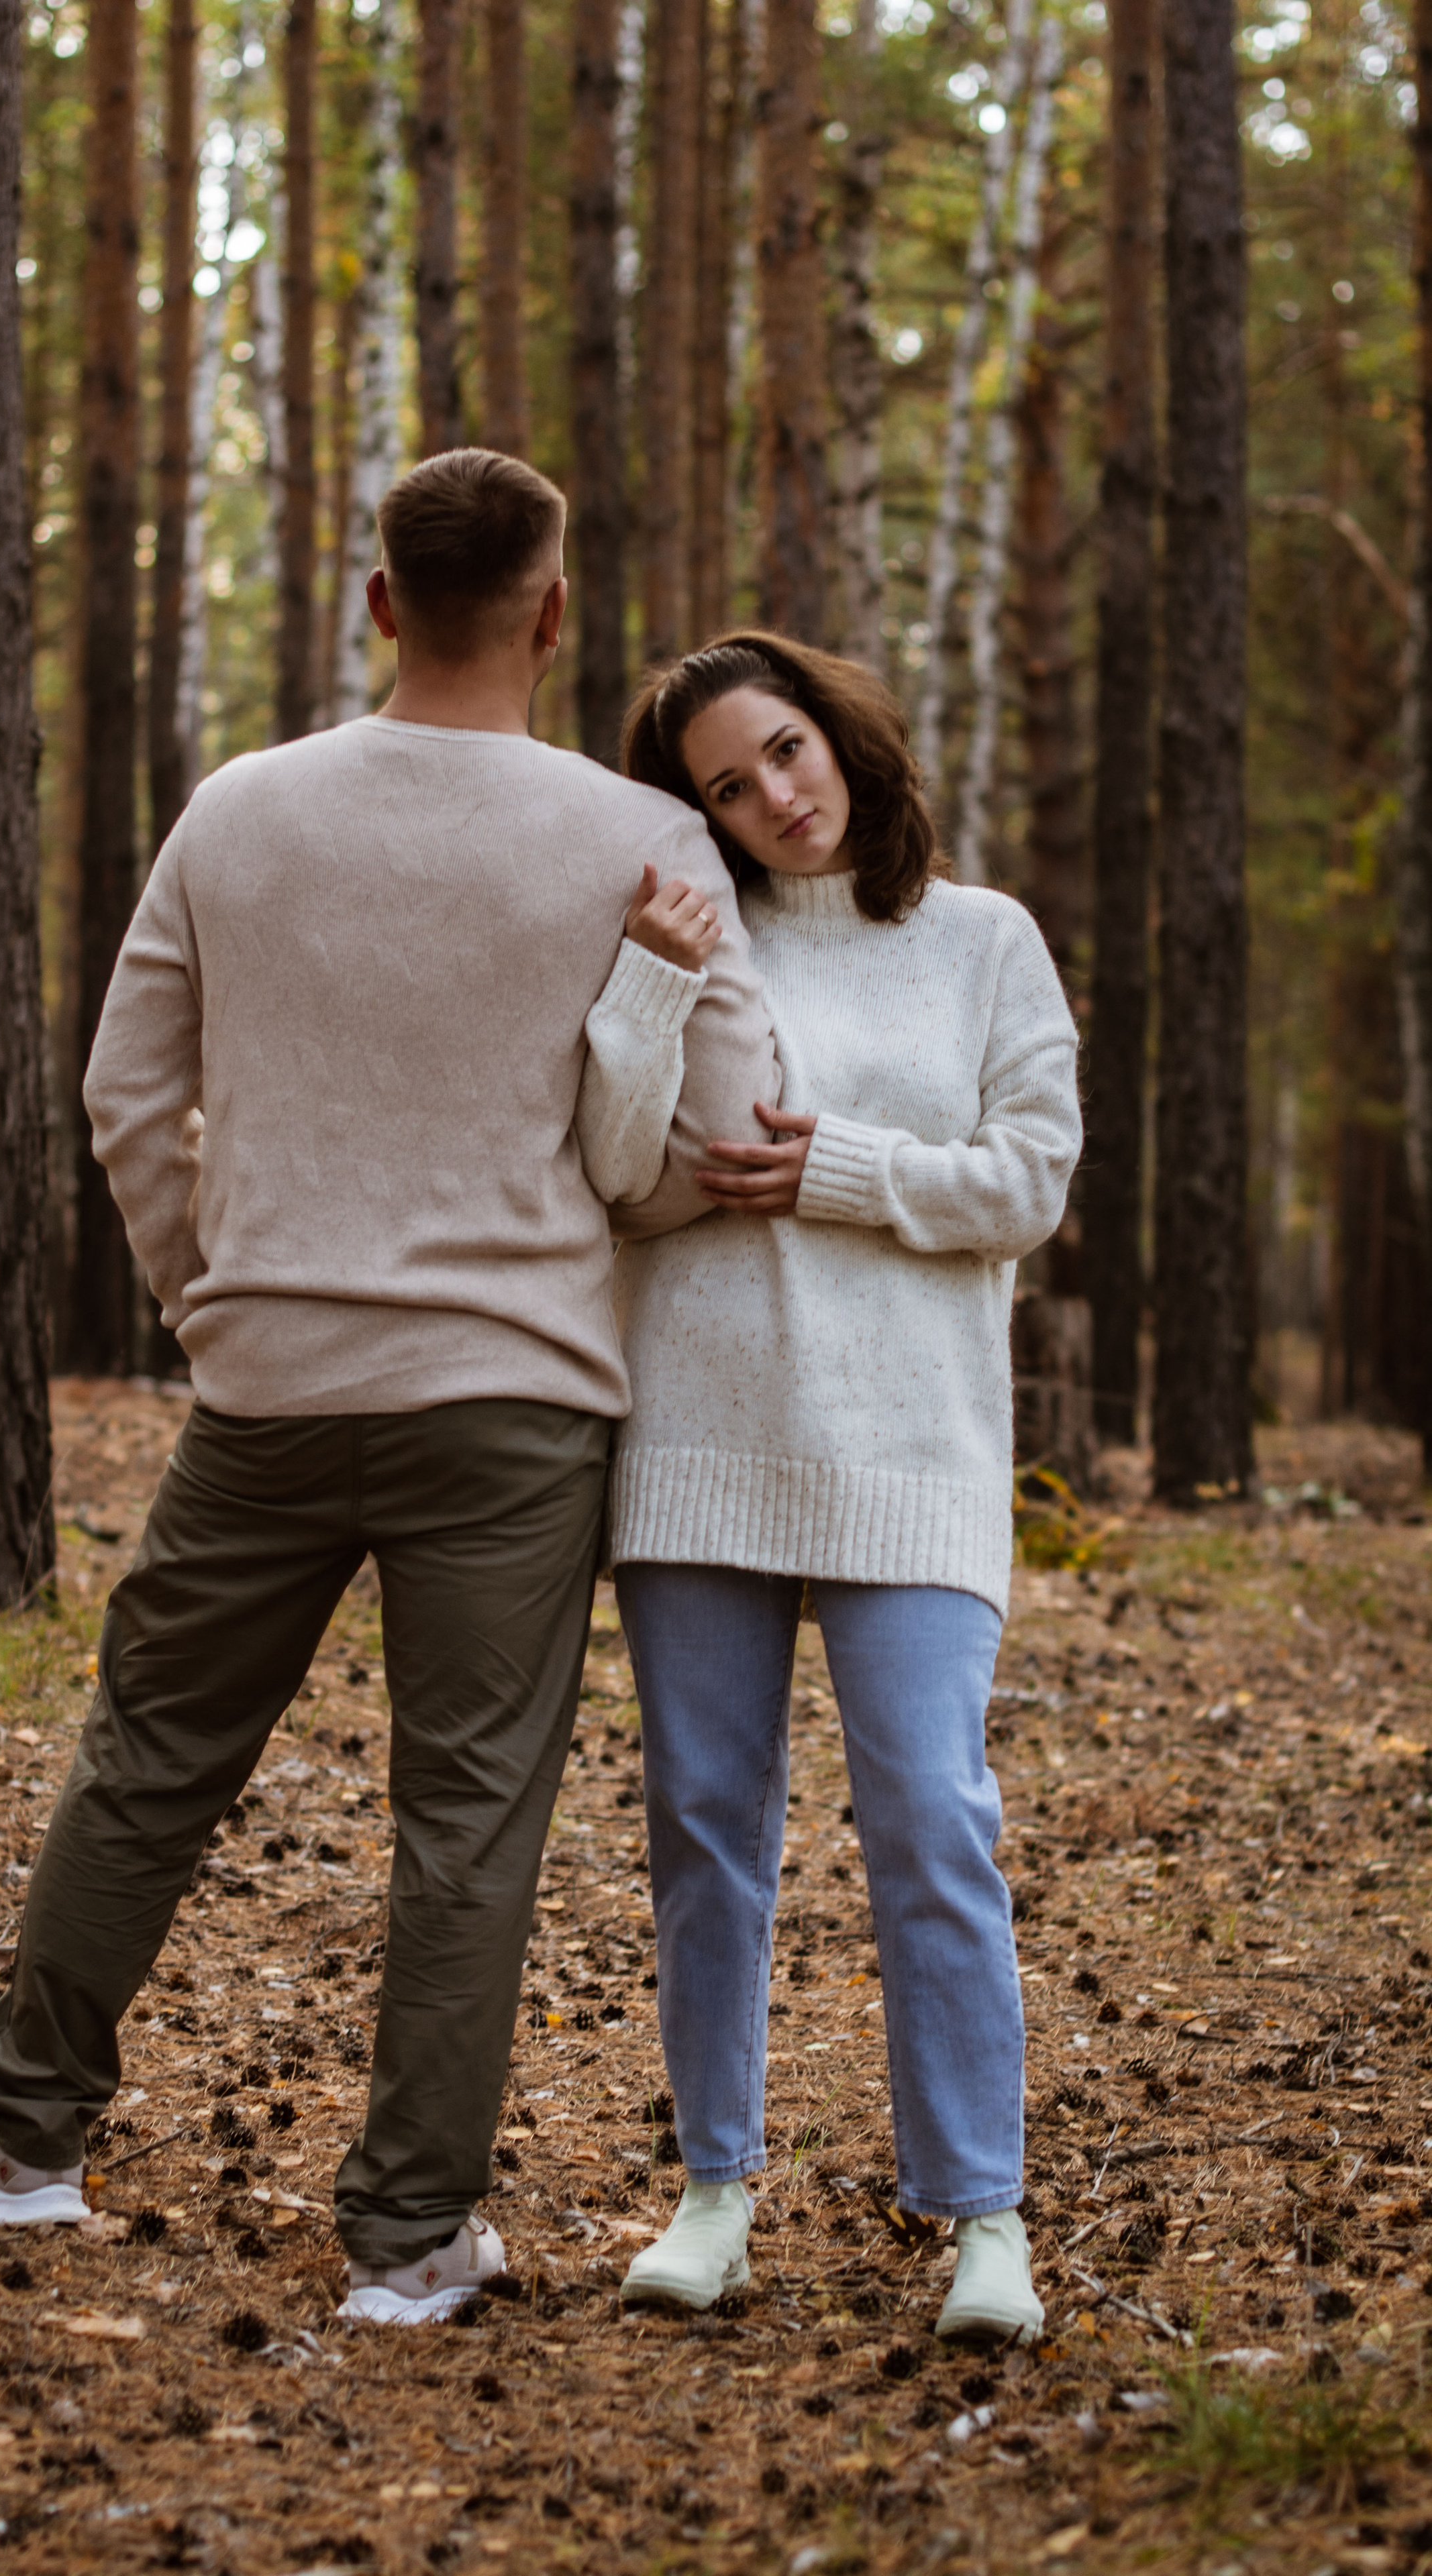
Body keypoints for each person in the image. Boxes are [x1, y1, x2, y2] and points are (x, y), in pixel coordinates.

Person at [0, 451, 779, 2326]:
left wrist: (210, 1301)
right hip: (517, 1404)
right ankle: (407, 2240)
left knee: (151, 1767)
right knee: (466, 1820)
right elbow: (712, 1144)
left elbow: (126, 1096)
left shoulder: (241, 811)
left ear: (380, 601)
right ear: (552, 614)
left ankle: (22, 2145)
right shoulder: (643, 841)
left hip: (270, 1386)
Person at [577, 631, 1081, 2342]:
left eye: (784, 751)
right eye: (725, 782)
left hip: (912, 1458)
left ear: (842, 734)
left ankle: (983, 2219)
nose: (773, 798)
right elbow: (609, 1164)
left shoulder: (982, 941)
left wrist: (836, 1172)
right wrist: (647, 980)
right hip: (697, 1450)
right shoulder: (680, 937)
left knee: (932, 1824)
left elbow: (1028, 1179)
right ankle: (712, 2192)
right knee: (704, 1832)